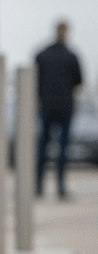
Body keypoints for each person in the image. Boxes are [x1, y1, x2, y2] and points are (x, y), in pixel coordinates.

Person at [36, 19, 83, 198]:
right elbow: (78, 82)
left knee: (43, 145)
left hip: (46, 105)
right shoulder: (71, 56)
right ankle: (60, 187)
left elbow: (34, 81)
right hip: (64, 105)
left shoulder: (42, 54)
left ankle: (38, 186)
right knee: (63, 146)